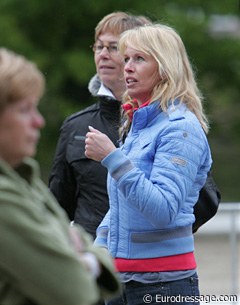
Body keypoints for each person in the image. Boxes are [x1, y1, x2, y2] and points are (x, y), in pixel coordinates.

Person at [85, 24, 212, 305]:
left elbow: (163, 209)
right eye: (127, 58)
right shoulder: (138, 125)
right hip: (122, 282)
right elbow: (121, 208)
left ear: (166, 67)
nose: (126, 67)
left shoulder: (181, 128)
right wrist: (94, 257)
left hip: (163, 285)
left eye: (139, 59)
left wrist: (112, 157)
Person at [0, 47, 120, 305]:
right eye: (24, 110)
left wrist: (76, 252)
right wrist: (88, 259)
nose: (39, 121)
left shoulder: (23, 175)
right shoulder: (4, 195)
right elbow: (74, 289)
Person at [48, 12, 152, 239]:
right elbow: (57, 208)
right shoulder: (75, 126)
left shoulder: (167, 121)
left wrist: (158, 237)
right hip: (94, 263)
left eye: (113, 47)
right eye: (98, 47)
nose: (103, 54)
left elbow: (203, 199)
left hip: (150, 264)